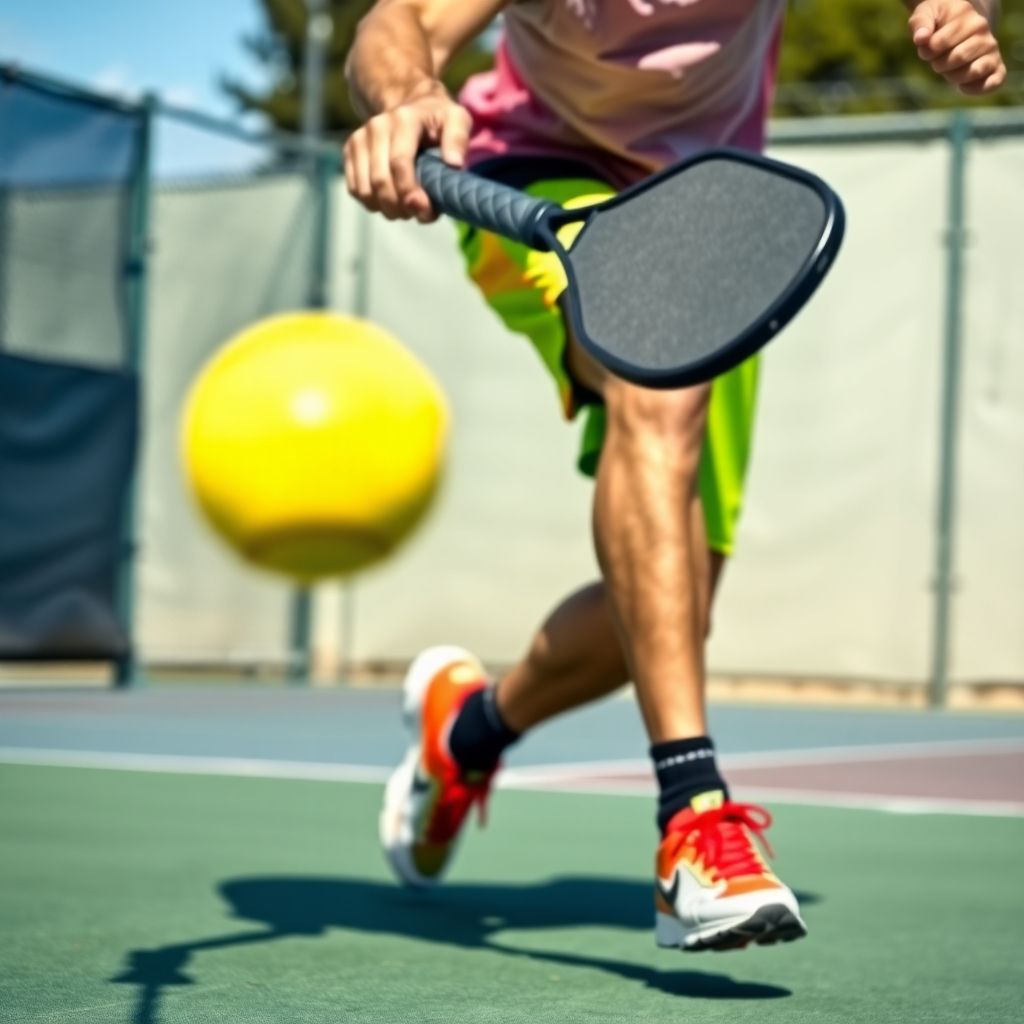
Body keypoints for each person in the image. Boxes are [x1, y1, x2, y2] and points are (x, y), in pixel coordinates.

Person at [344, 0, 1007, 952]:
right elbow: (401, 18)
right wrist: (408, 96)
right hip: (535, 172)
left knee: (673, 608)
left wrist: (963, 12)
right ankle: (693, 820)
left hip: (710, 207)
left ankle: (468, 736)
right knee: (652, 393)